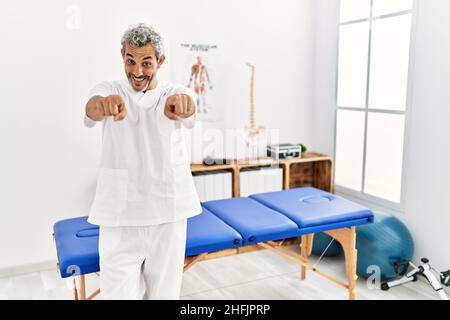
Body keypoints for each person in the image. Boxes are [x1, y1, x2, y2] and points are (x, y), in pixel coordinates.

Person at [84, 23, 202, 300]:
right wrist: (102, 106)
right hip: (119, 217)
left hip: (168, 213)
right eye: (130, 61)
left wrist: (183, 105)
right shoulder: (108, 89)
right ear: (122, 55)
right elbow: (91, 107)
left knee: (165, 294)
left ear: (160, 61)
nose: (137, 71)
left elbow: (188, 105)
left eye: (146, 63)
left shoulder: (175, 92)